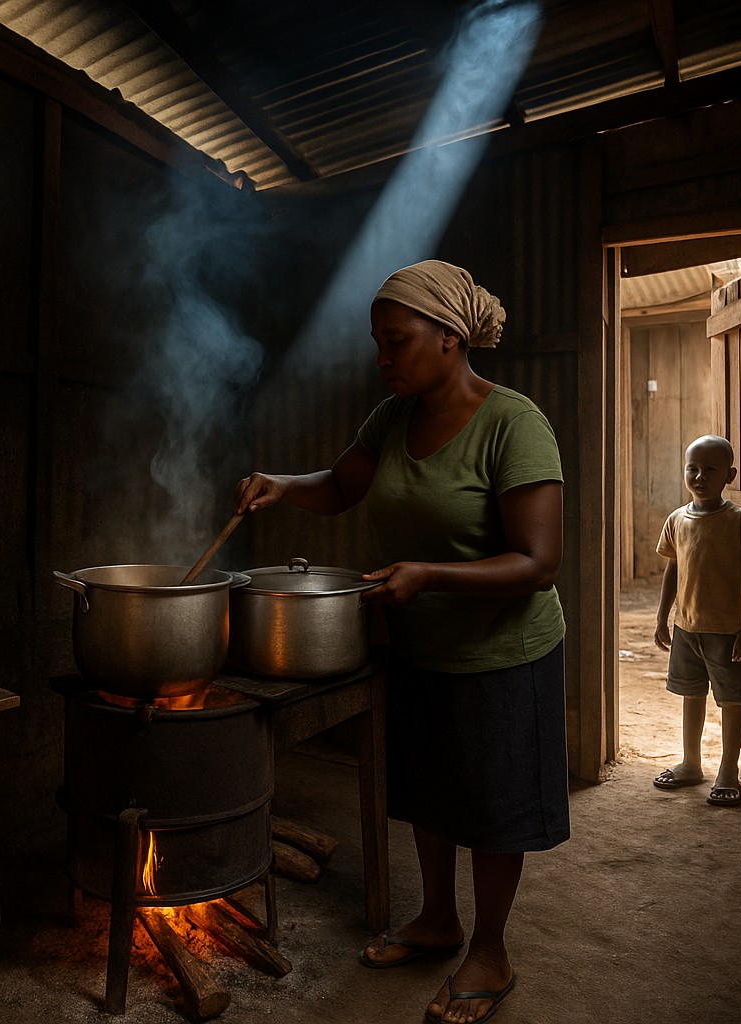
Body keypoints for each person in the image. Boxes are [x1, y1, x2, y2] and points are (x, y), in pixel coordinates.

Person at [234, 259, 567, 1024]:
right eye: (378, 343)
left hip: (503, 655)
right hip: (420, 646)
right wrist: (282, 484)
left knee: (490, 806)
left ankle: (490, 949)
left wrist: (429, 574)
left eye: (397, 341)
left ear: (449, 338)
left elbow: (538, 563)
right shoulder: (391, 418)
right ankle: (438, 920)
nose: (383, 358)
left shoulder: (514, 423)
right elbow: (343, 485)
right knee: (430, 791)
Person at [651, 434, 741, 808]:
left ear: (729, 475)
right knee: (691, 695)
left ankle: (729, 770)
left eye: (710, 469)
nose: (700, 476)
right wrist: (662, 616)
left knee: (732, 700)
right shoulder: (677, 519)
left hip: (727, 630)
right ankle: (690, 764)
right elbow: (673, 569)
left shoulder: (739, 520)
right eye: (693, 469)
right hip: (687, 628)